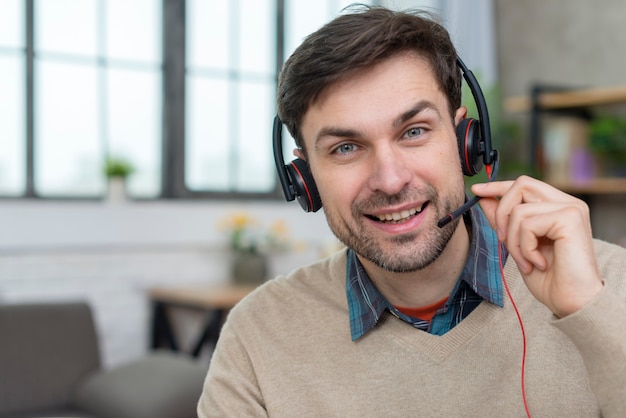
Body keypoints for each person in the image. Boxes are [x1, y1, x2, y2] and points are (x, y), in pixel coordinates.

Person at [198, 6, 626, 417]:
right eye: (346, 147)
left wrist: (588, 311)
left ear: (465, 141)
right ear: (304, 178)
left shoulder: (609, 282)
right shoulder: (257, 333)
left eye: (414, 131)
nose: (390, 179)